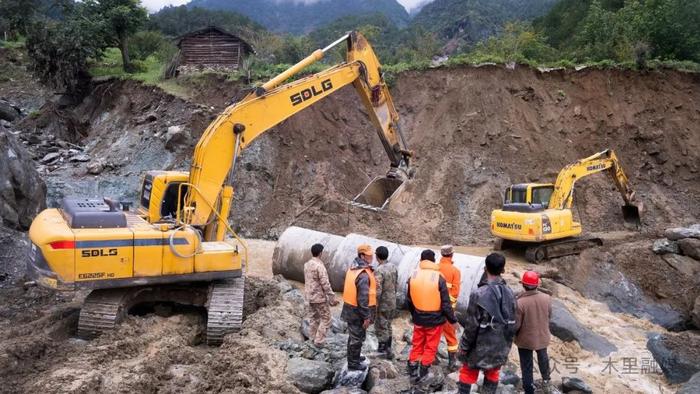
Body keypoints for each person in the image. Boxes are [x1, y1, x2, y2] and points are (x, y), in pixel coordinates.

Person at [457, 253, 516, 394]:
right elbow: (513, 322)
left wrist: (464, 347)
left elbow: (471, 326)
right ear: (503, 270)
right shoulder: (511, 293)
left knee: (468, 371)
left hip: (480, 345)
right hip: (501, 344)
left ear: (485, 268)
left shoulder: (479, 294)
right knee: (493, 372)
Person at [406, 249, 457, 383]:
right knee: (430, 346)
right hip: (434, 320)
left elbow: (409, 300)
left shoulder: (413, 276)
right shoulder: (438, 277)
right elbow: (446, 303)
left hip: (418, 318)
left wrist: (415, 315)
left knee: (417, 344)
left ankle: (412, 369)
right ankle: (423, 371)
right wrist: (452, 320)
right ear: (433, 260)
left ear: (421, 260)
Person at [515, 271, 553, 394]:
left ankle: (529, 389)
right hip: (542, 336)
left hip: (525, 340)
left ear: (523, 285)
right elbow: (549, 316)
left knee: (526, 365)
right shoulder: (546, 298)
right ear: (537, 285)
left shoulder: (520, 303)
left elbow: (516, 325)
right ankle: (546, 381)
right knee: (543, 358)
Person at [341, 244, 377, 370]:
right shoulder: (363, 274)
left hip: (350, 309)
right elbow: (363, 299)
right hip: (357, 312)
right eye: (369, 255)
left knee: (354, 336)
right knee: (357, 338)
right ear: (362, 256)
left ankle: (354, 357)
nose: (372, 257)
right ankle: (353, 363)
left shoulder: (353, 268)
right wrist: (366, 316)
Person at [303, 243, 339, 347]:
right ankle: (319, 341)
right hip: (319, 298)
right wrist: (332, 297)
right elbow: (325, 284)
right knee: (326, 319)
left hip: (309, 297)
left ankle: (312, 338)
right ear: (320, 253)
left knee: (314, 318)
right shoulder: (320, 266)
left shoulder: (307, 264)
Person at [438, 244, 461, 371]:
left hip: (433, 308)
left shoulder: (435, 268)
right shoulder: (455, 271)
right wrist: (450, 309)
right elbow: (455, 292)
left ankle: (427, 360)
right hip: (447, 311)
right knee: (450, 336)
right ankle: (452, 363)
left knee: (433, 334)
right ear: (452, 254)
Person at [374, 245, 398, 360]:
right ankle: (389, 347)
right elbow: (396, 284)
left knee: (381, 325)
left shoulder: (379, 270)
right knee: (388, 324)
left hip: (383, 303)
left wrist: (374, 304)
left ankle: (383, 349)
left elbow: (377, 290)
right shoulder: (393, 266)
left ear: (377, 256)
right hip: (392, 301)